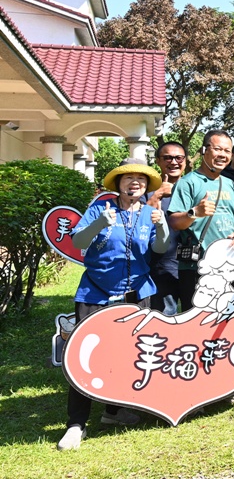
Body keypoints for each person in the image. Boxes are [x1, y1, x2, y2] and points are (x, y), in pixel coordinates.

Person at [57, 159, 170, 451]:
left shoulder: (151, 213)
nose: (135, 183)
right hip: (96, 293)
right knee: (85, 356)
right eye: (128, 178)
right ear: (118, 184)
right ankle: (76, 424)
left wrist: (162, 228)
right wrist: (99, 224)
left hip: (138, 292)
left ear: (147, 186)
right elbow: (79, 241)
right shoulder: (100, 208)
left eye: (141, 179)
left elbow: (159, 249)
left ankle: (114, 411)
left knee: (134, 353)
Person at [168, 130, 234, 312]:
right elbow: (173, 221)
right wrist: (194, 213)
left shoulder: (228, 183)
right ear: (205, 150)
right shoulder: (187, 182)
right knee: (197, 319)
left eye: (227, 151)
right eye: (218, 149)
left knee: (227, 317)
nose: (223, 155)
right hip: (197, 266)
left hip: (229, 265)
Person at [145, 141, 186, 315]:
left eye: (179, 157)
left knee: (195, 316)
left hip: (193, 265)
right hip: (160, 264)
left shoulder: (194, 188)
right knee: (164, 316)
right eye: (167, 157)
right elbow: (139, 221)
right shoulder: (147, 190)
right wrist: (158, 194)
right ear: (158, 161)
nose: (174, 162)